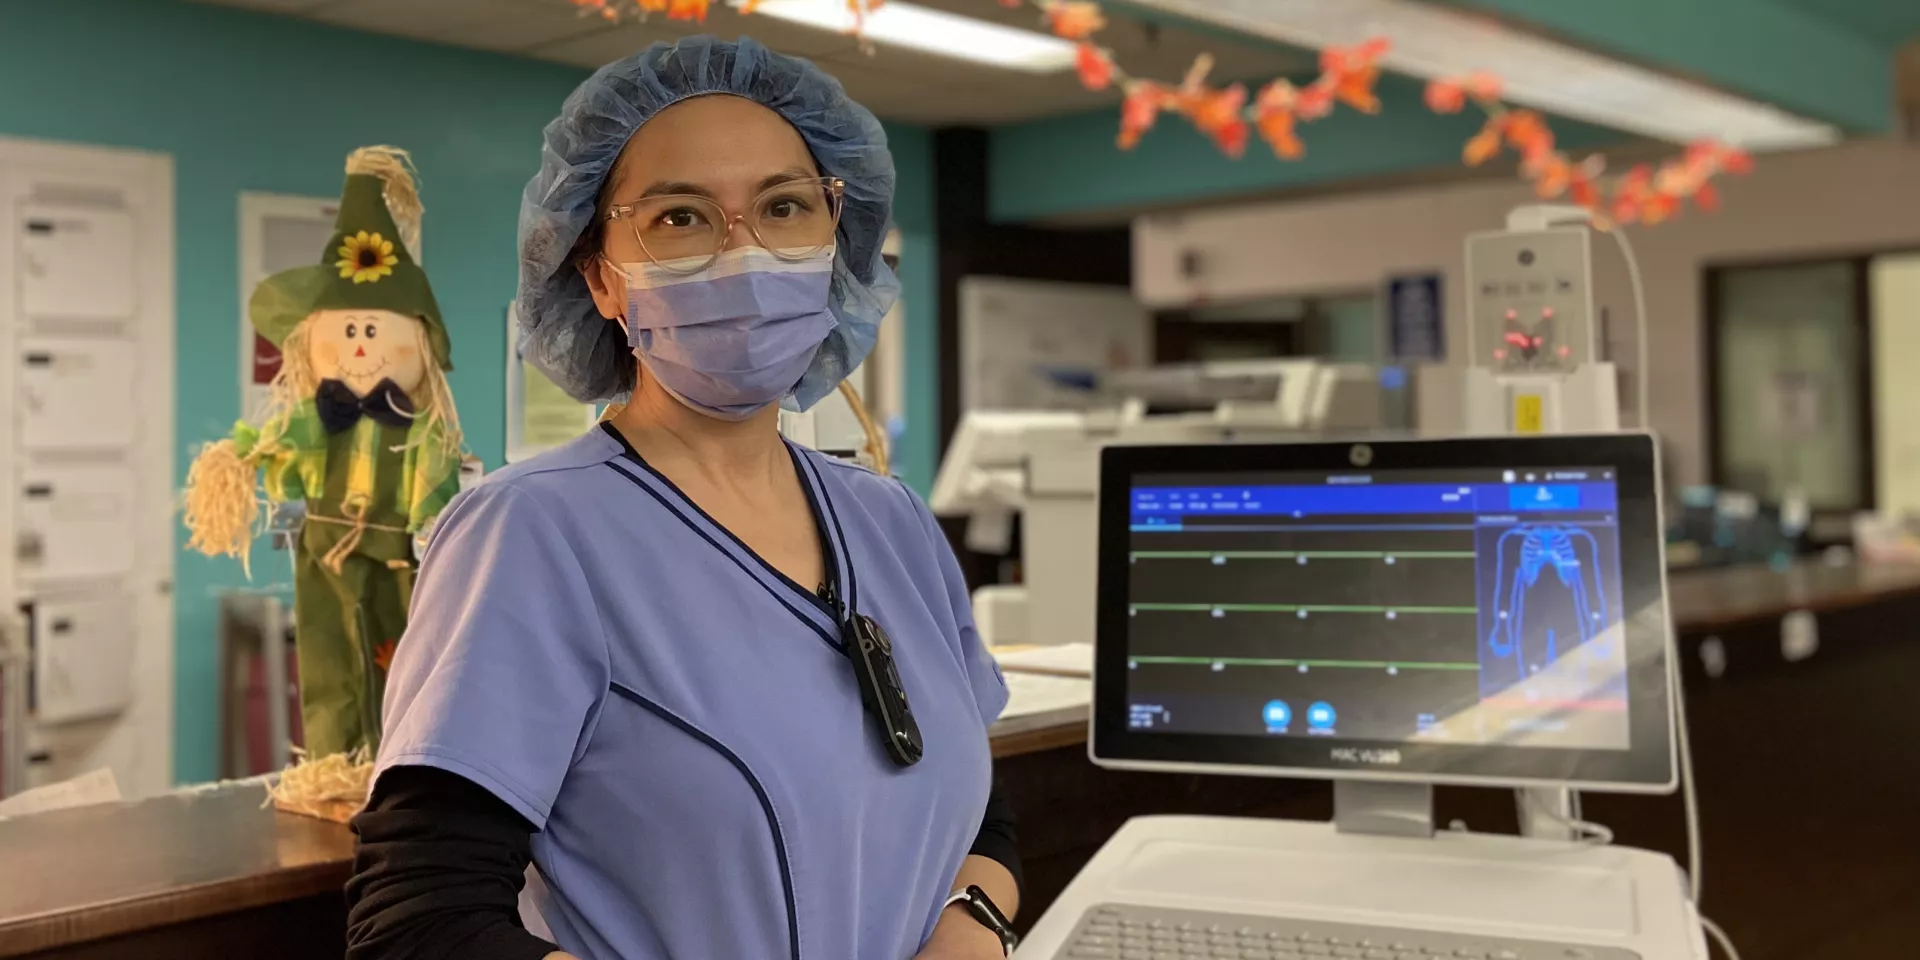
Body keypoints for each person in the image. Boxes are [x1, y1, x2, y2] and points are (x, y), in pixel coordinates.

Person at [343, 36, 1019, 960]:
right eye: (680, 218)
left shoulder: (891, 521)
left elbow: (977, 805)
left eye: (784, 207)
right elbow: (418, 923)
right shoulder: (533, 535)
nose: (745, 254)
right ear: (600, 277)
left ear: (835, 242)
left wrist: (974, 929)